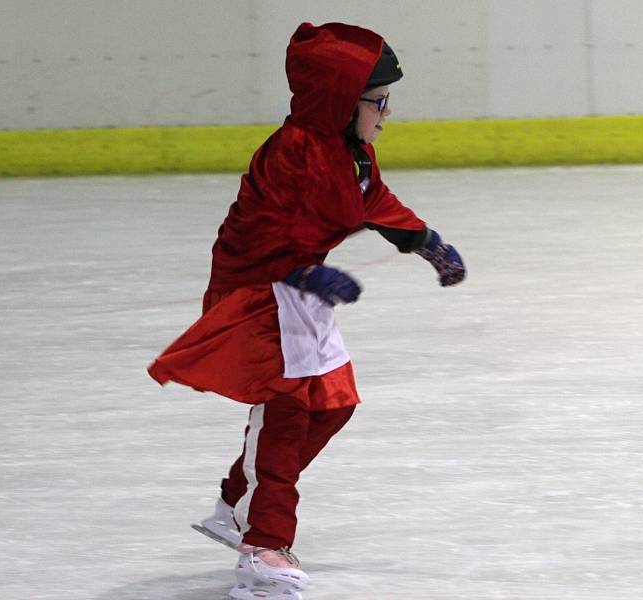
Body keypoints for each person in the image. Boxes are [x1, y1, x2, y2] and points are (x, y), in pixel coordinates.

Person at [148, 21, 465, 600]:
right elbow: (258, 230)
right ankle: (264, 548)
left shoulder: (351, 150)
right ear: (344, 101)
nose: (386, 113)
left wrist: (425, 242)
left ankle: (234, 504)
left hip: (300, 291)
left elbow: (372, 200)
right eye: (380, 101)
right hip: (260, 289)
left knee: (333, 406)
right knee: (288, 411)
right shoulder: (291, 152)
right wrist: (301, 270)